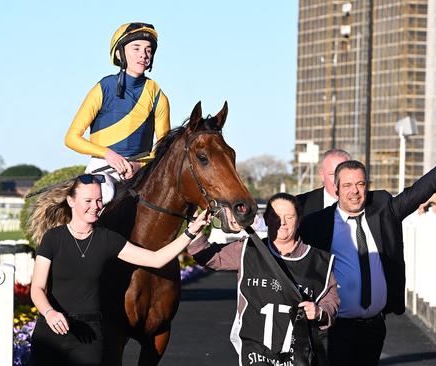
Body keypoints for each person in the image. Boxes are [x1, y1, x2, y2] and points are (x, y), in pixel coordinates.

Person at [299, 134, 436, 366]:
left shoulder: (383, 209)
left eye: (360, 184)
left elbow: (419, 191)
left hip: (375, 327)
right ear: (336, 189)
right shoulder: (317, 224)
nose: (355, 191)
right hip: (335, 330)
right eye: (347, 185)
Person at [27, 173, 210, 366]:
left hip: (89, 337)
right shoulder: (53, 239)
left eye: (99, 200)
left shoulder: (108, 240)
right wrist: (49, 313)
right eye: (88, 200)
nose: (95, 206)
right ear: (71, 201)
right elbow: (37, 288)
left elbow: (156, 260)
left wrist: (191, 231)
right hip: (50, 332)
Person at [190, 193, 340, 365]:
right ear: (266, 219)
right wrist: (195, 228)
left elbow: (331, 301)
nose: (282, 222)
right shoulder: (247, 249)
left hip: (300, 355)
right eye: (276, 216)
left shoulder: (319, 261)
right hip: (256, 353)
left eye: (289, 217)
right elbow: (209, 257)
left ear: (299, 221)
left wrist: (320, 312)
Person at [65, 22, 170, 180]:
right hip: (102, 166)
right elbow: (71, 138)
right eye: (136, 48)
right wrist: (108, 154)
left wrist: (139, 165)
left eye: (148, 50)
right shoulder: (104, 88)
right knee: (103, 194)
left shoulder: (158, 96)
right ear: (120, 54)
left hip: (140, 171)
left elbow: (165, 148)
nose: (143, 54)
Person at [297, 149, 352, 217]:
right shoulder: (300, 204)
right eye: (332, 174)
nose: (338, 180)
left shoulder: (367, 203)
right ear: (322, 175)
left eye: (344, 174)